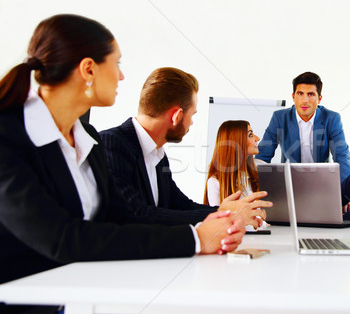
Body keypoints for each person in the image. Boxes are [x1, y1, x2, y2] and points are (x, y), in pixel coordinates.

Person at [0, 14, 269, 314]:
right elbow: (63, 238)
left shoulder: (85, 136)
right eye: (117, 64)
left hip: (86, 291)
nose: (122, 77)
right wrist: (196, 238)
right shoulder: (8, 137)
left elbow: (122, 214)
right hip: (29, 305)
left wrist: (216, 221)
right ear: (88, 69)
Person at [100, 67, 262, 228]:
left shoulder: (158, 154)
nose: (191, 122)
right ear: (176, 116)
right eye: (192, 115)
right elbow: (134, 213)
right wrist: (222, 214)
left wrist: (222, 211)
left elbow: (178, 203)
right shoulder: (112, 143)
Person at [255, 72, 350, 181]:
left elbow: (342, 156)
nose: (305, 100)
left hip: (321, 181)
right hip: (290, 181)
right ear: (293, 97)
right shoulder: (279, 117)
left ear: (319, 99)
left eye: (310, 94)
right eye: (300, 94)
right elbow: (263, 155)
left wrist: (347, 192)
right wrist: (255, 186)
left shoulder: (331, 118)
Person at [204, 120, 260, 206]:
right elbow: (219, 216)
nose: (257, 138)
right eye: (250, 135)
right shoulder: (215, 182)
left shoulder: (260, 167)